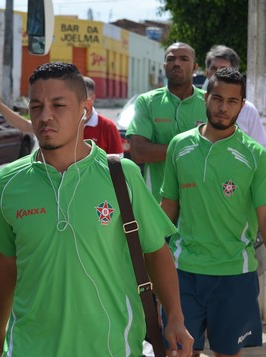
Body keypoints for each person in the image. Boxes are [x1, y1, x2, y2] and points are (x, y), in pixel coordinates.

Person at [0, 62, 193, 357]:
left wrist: (176, 318)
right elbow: (6, 265)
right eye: (36, 106)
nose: (45, 116)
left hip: (111, 347)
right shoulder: (6, 183)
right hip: (29, 348)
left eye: (58, 105)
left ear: (85, 107)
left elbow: (156, 252)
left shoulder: (122, 175)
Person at [160, 68, 266, 357]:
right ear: (205, 98)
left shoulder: (255, 155)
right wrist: (150, 257)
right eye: (217, 98)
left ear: (242, 105)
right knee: (178, 351)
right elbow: (168, 207)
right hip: (184, 271)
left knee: (227, 353)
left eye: (233, 101)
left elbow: (264, 218)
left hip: (235, 273)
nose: (223, 107)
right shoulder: (179, 146)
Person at [126, 42, 207, 202]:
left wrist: (161, 150)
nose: (176, 63)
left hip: (200, 201)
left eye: (184, 59)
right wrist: (192, 150)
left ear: (195, 67)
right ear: (164, 66)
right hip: (157, 200)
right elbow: (138, 152)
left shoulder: (208, 101)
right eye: (171, 59)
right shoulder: (147, 101)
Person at [0, 77, 124, 155]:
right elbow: (25, 125)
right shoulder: (59, 123)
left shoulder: (107, 127)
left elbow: (117, 167)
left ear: (91, 100)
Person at [203, 44, 266, 147]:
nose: (218, 73)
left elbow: (260, 148)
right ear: (207, 73)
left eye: (224, 69)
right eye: (214, 68)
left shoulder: (248, 110)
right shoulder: (195, 103)